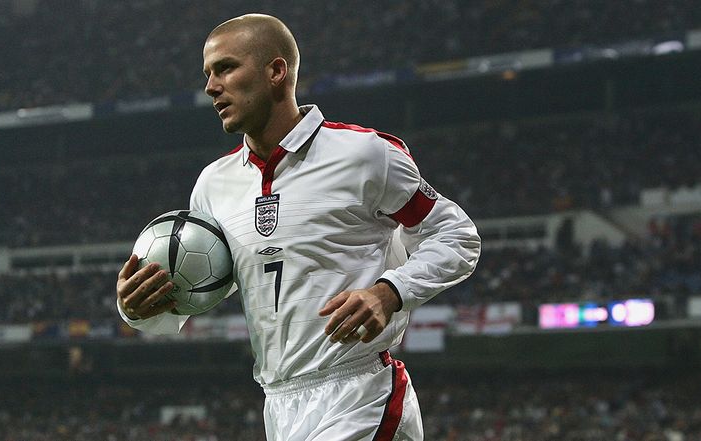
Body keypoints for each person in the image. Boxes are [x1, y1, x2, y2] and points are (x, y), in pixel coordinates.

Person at [117, 13, 480, 441]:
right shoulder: (213, 185)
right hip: (279, 404)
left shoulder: (364, 153)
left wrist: (389, 292)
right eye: (208, 74)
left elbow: (456, 236)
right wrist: (143, 309)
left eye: (226, 68)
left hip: (359, 395)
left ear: (276, 71)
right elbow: (211, 283)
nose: (211, 86)